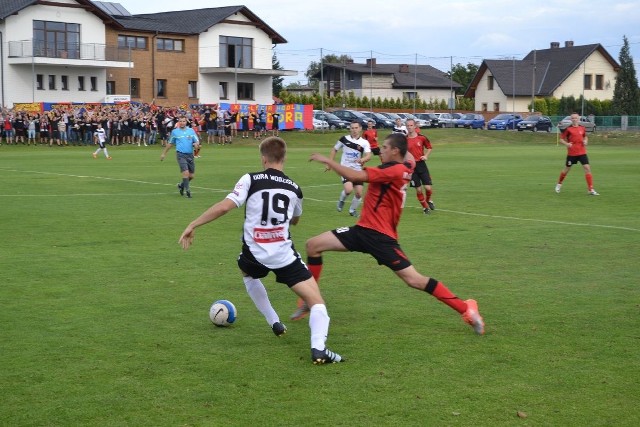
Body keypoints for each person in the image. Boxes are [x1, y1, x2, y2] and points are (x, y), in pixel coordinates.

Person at [289, 133, 485, 336]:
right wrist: (402, 137)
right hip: (362, 231)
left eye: (384, 147)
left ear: (395, 151)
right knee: (313, 245)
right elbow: (409, 158)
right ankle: (308, 300)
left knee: (414, 280)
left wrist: (328, 160)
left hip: (381, 238)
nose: (379, 150)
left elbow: (355, 177)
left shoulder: (392, 171)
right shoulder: (407, 166)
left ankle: (466, 308)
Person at [178, 137, 343, 364]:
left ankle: (273, 320)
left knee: (248, 274)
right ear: (283, 158)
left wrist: (193, 224)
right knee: (317, 303)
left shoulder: (251, 179)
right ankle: (319, 349)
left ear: (263, 158)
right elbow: (295, 220)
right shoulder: (295, 189)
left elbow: (226, 206)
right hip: (284, 255)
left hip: (254, 252)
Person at [330, 121, 372, 217]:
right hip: (345, 169)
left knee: (359, 193)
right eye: (352, 128)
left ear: (360, 129)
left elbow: (368, 155)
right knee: (348, 190)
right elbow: (334, 149)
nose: (354, 130)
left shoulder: (364, 142)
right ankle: (341, 201)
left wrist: (362, 159)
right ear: (350, 129)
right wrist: (330, 163)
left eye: (356, 128)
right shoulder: (344, 139)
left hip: (357, 171)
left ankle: (352, 210)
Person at [555, 112, 599, 195]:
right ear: (571, 119)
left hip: (582, 152)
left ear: (578, 119)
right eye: (573, 118)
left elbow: (585, 136)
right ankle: (559, 184)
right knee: (566, 169)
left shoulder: (582, 128)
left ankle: (590, 189)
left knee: (587, 168)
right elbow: (561, 139)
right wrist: (567, 144)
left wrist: (586, 141)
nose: (574, 119)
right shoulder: (568, 129)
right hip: (572, 154)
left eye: (576, 118)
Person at [160, 116, 200, 198]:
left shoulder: (191, 131)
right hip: (180, 154)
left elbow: (196, 141)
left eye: (183, 121)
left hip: (190, 155)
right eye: (180, 121)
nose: (182, 123)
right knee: (185, 173)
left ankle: (181, 185)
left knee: (191, 176)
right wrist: (164, 153)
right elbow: (170, 144)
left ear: (186, 122)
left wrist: (196, 145)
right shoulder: (175, 132)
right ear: (178, 122)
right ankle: (188, 191)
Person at [405, 119, 435, 214]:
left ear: (415, 126)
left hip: (421, 164)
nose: (409, 127)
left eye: (411, 125)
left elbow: (429, 147)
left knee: (428, 188)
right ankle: (425, 208)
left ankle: (429, 200)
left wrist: (425, 156)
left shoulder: (422, 138)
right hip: (411, 167)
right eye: (408, 125)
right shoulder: (404, 140)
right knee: (418, 189)